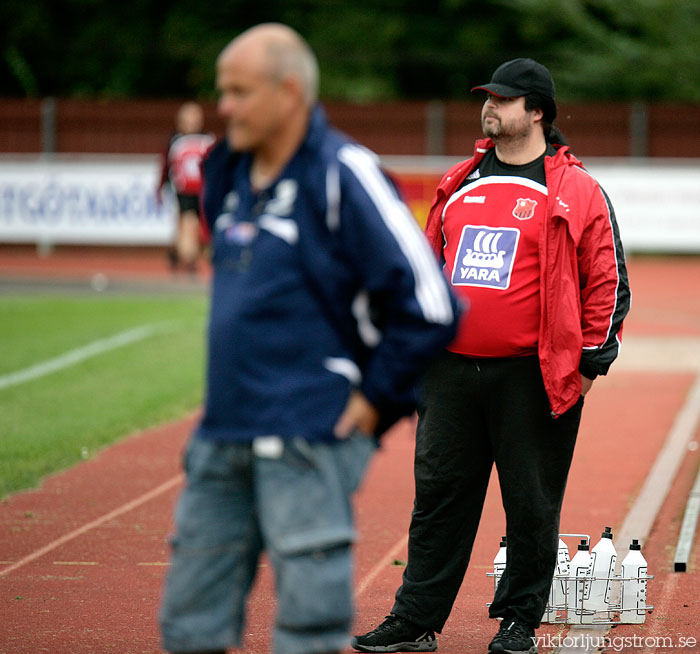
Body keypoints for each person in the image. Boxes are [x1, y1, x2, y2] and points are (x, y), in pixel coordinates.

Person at [158, 23, 461, 654]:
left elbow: (431, 307)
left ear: (289, 92)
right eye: (223, 91)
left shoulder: (342, 172)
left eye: (239, 92)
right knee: (189, 626)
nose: (226, 107)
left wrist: (375, 403)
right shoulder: (226, 172)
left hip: (308, 439)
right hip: (220, 439)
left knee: (308, 631)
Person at [352, 58, 630, 654]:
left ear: (536, 112)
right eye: (487, 98)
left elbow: (607, 282)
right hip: (448, 373)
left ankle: (518, 621)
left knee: (530, 505)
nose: (490, 108)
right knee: (438, 502)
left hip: (532, 375)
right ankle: (416, 621)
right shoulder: (459, 182)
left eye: (504, 100)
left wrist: (588, 366)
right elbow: (429, 270)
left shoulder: (576, 189)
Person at [157, 101, 215, 273]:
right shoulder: (174, 141)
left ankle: (176, 252)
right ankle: (190, 259)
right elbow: (165, 167)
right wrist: (160, 187)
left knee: (194, 226)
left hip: (203, 191)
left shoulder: (207, 140)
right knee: (189, 222)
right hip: (183, 191)